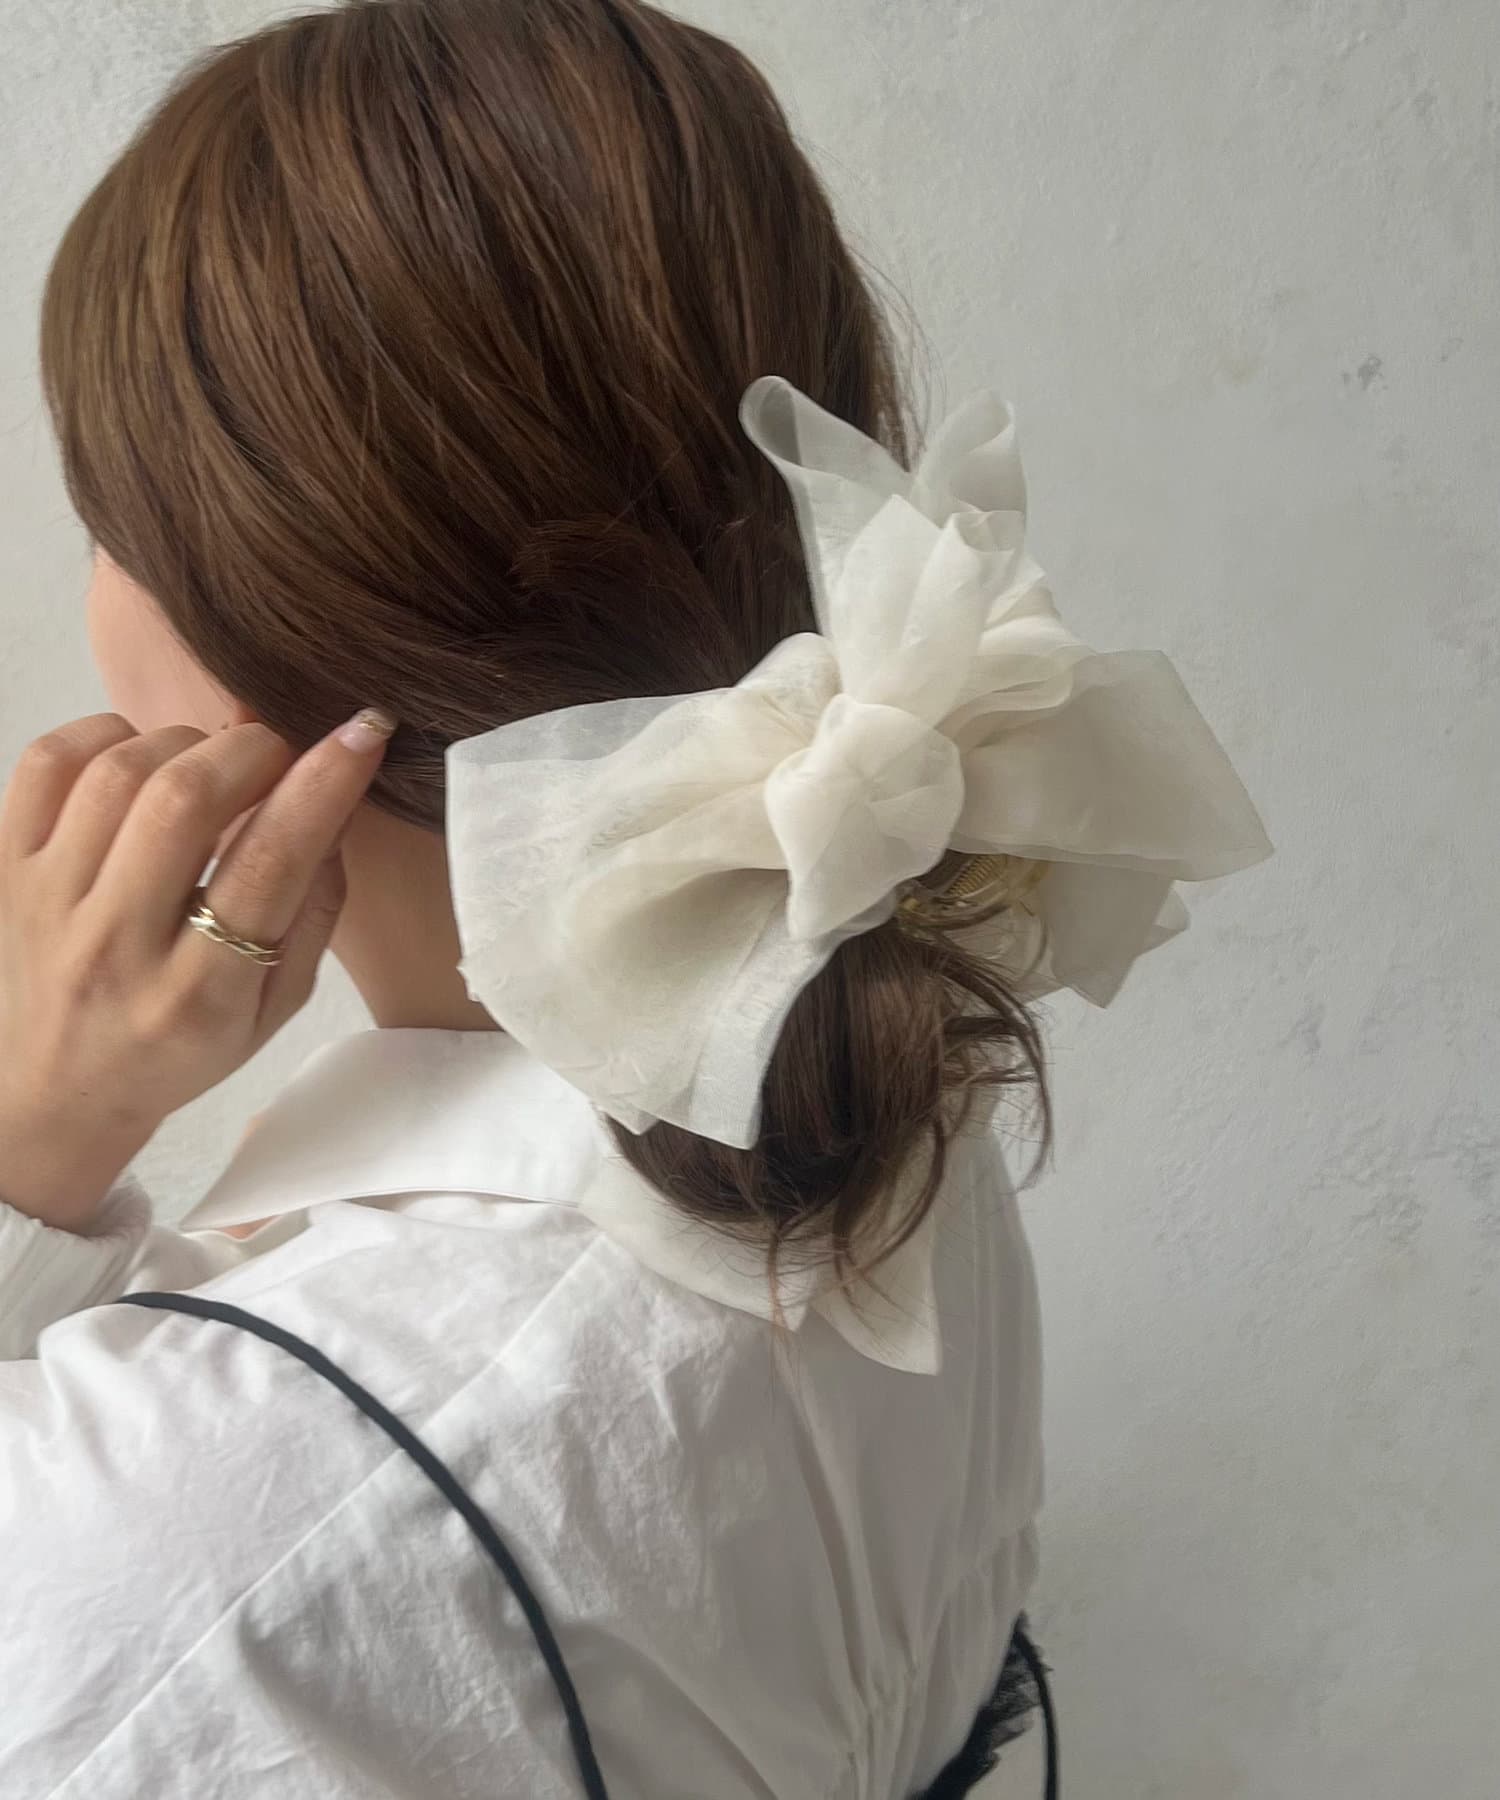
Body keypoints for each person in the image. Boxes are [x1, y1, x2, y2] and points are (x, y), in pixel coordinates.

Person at [0, 2, 1271, 1796]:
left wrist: (23, 1147)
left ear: (254, 658)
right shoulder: (890, 1074)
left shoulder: (177, 1550)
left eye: (109, 522)